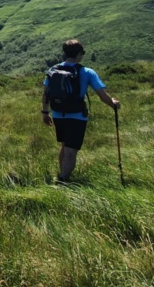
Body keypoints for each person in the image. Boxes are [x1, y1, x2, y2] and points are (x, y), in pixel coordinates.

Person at [42, 39, 120, 183]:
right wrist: (113, 104)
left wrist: (45, 113)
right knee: (71, 150)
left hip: (58, 114)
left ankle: (61, 174)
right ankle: (63, 180)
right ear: (79, 54)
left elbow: (46, 94)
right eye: (82, 53)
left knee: (65, 145)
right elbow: (102, 96)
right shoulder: (87, 72)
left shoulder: (53, 70)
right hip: (77, 116)